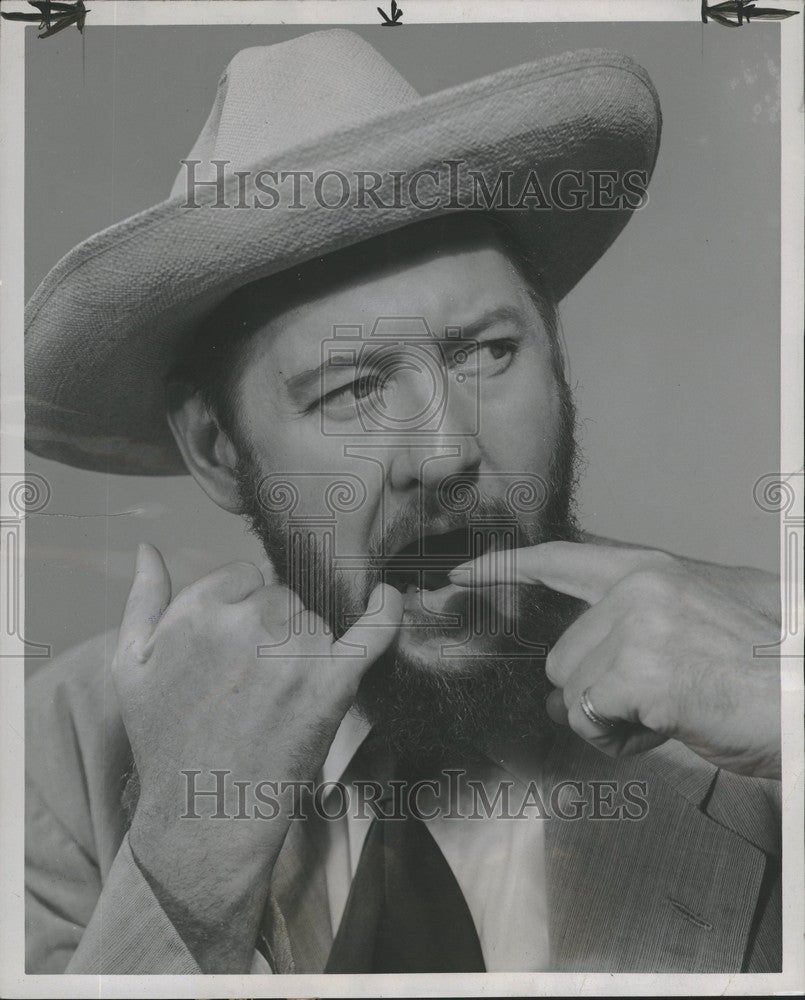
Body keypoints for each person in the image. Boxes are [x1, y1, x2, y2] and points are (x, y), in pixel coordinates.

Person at [24, 30, 782, 975]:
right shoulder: (51, 759)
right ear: (218, 450)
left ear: (559, 364)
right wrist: (186, 860)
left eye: (485, 353)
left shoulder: (764, 707)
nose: (444, 452)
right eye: (349, 388)